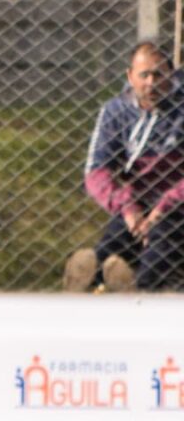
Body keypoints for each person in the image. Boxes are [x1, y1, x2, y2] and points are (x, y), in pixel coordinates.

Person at [66, 42, 184, 293]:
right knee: (107, 252)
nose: (151, 82)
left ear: (171, 75)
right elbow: (97, 171)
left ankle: (137, 286)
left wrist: (163, 208)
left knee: (158, 252)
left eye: (159, 75)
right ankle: (94, 277)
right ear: (130, 76)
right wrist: (128, 208)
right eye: (144, 75)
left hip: (175, 208)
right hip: (136, 206)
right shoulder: (115, 111)